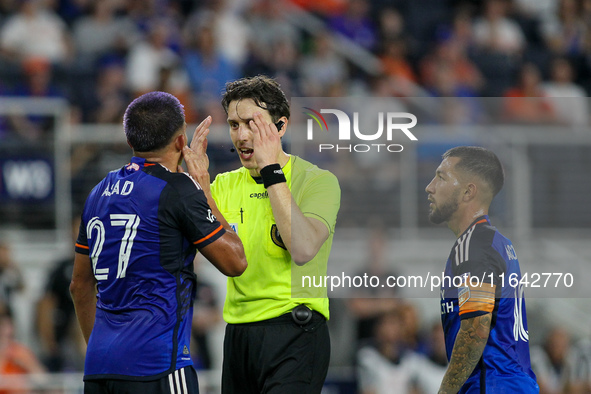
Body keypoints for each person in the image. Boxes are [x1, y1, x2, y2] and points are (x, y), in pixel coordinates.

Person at [69, 91, 247, 393]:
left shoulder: (98, 192)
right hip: (158, 365)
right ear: (181, 142)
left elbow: (79, 285)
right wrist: (202, 184)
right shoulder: (177, 189)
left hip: (99, 369)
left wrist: (106, 353)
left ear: (131, 142)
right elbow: (235, 261)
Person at [187, 75, 340, 393]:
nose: (241, 135)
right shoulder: (223, 185)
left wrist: (271, 170)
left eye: (252, 124)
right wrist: (201, 185)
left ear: (281, 127)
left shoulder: (317, 182)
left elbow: (302, 248)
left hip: (295, 333)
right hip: (239, 335)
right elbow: (211, 252)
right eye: (233, 124)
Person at [425, 146, 539, 393]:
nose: (430, 187)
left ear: (468, 191)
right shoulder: (498, 243)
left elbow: (475, 329)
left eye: (441, 177)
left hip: (492, 385)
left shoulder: (473, 244)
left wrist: (445, 391)